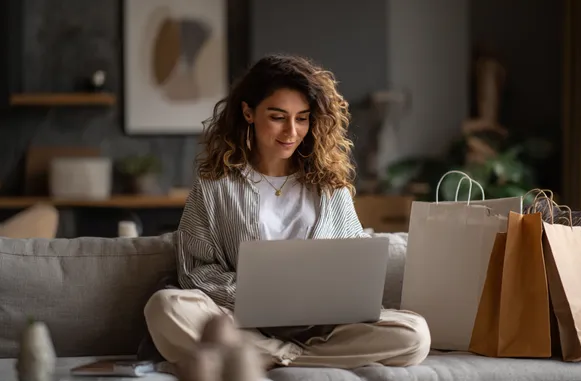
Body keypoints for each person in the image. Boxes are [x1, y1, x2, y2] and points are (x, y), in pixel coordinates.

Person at [143, 54, 431, 375]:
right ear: (248, 112)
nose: (291, 131)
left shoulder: (330, 188)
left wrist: (328, 297)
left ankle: (260, 357)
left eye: (303, 118)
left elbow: (353, 261)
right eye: (278, 117)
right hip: (240, 323)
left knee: (415, 335)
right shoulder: (215, 187)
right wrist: (255, 293)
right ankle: (272, 352)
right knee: (165, 308)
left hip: (323, 328)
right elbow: (194, 272)